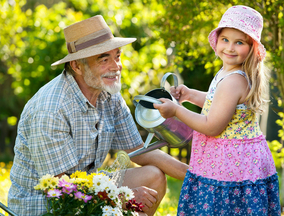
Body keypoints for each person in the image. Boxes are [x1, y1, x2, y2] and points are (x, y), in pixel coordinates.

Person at [8, 15, 188, 216]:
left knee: (153, 176)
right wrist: (122, 197)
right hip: (45, 204)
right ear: (77, 66)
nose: (116, 66)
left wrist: (198, 177)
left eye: (117, 56)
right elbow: (61, 188)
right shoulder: (51, 109)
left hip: (88, 186)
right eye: (104, 59)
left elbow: (140, 150)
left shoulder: (108, 94)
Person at [154, 5, 281, 216]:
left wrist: (176, 111)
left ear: (251, 48)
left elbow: (212, 126)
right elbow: (220, 104)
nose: (230, 48)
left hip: (232, 164)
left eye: (239, 42)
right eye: (225, 40)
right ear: (218, 40)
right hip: (233, 160)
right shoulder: (228, 71)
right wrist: (190, 95)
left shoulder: (234, 81)